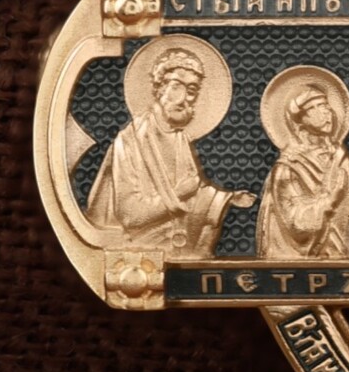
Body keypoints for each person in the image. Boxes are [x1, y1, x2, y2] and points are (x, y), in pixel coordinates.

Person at [86, 45, 253, 258]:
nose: (183, 98)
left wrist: (226, 198)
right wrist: (178, 194)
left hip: (180, 243)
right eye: (176, 86)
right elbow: (130, 215)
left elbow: (193, 190)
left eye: (191, 91)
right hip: (141, 253)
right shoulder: (131, 140)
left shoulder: (179, 137)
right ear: (159, 88)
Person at [257, 77, 349, 260]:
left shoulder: (341, 158)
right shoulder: (288, 167)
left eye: (326, 106)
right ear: (299, 121)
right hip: (301, 259)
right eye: (314, 107)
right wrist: (330, 200)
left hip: (340, 255)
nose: (326, 112)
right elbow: (295, 223)